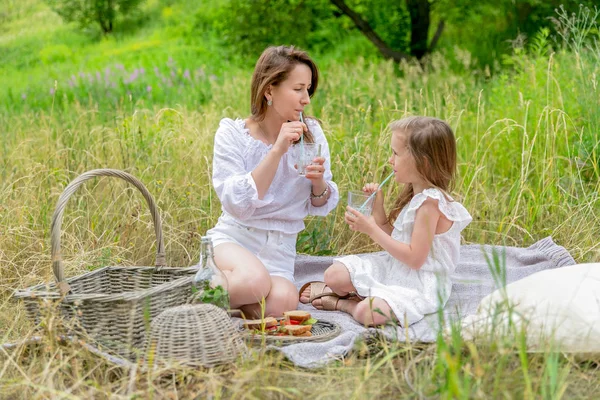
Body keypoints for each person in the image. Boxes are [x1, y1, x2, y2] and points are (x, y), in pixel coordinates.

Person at [206, 45, 339, 318]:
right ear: (269, 90)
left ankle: (215, 307)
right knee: (254, 283)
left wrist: (318, 184)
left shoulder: (312, 133)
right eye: (298, 89)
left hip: (281, 249)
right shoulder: (233, 134)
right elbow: (236, 203)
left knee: (281, 303)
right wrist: (277, 150)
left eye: (308, 90)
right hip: (237, 237)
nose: (306, 100)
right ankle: (185, 297)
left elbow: (321, 201)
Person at [300, 116, 472, 326]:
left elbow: (415, 259)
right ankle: (355, 293)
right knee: (334, 275)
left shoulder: (430, 205)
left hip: (420, 282)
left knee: (368, 312)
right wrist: (379, 215)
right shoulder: (417, 197)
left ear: (423, 162)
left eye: (396, 153)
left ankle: (346, 304)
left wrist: (372, 230)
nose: (390, 160)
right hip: (397, 268)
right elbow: (399, 240)